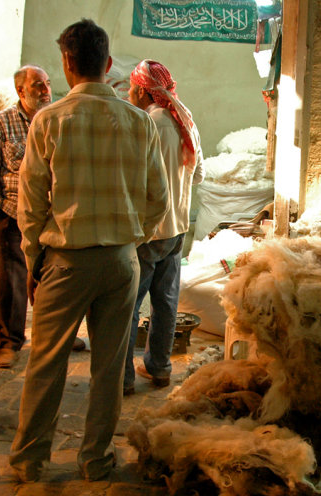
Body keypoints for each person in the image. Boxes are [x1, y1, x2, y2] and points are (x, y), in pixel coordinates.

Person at [11, 18, 169, 483]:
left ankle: (30, 461)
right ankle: (95, 459)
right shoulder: (138, 122)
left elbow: (30, 205)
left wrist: (34, 262)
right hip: (122, 263)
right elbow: (159, 199)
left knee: (46, 365)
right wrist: (130, 239)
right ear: (107, 64)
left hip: (66, 261)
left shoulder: (50, 121)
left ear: (67, 63)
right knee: (108, 368)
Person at [123, 60, 204, 394]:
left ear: (142, 90)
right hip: (177, 230)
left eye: (130, 87)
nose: (128, 93)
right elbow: (198, 175)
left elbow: (132, 178)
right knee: (166, 303)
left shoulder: (146, 124)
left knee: (127, 307)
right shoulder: (185, 120)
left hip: (148, 232)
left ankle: (123, 379)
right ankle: (160, 368)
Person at [0, 65, 51, 369]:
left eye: (47, 84)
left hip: (49, 217)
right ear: (20, 90)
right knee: (13, 282)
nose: (45, 90)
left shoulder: (54, 120)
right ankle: (9, 343)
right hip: (13, 215)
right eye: (38, 86)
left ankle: (57, 336)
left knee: (52, 279)